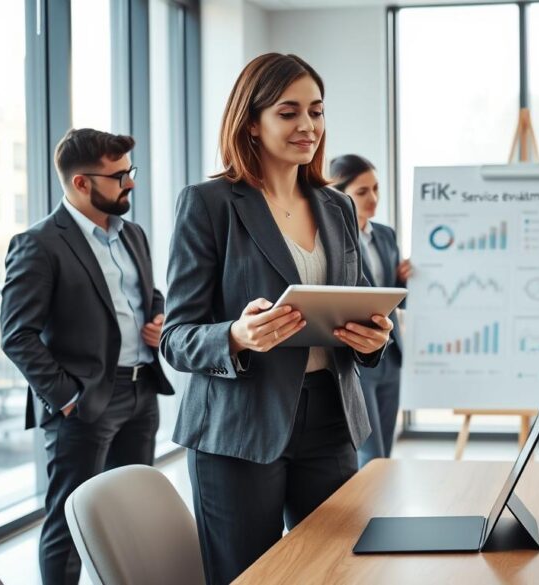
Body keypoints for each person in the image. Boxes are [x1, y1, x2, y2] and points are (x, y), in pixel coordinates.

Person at [159, 53, 392, 584]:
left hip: (331, 421)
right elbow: (175, 338)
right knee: (248, 576)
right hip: (240, 426)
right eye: (288, 113)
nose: (308, 126)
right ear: (251, 122)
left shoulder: (335, 207)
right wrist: (237, 336)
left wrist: (371, 337)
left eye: (316, 111)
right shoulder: (208, 203)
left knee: (333, 572)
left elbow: (351, 304)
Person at [0, 128, 174, 585]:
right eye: (119, 175)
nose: (130, 183)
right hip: (84, 404)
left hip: (142, 391)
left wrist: (157, 318)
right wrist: (68, 397)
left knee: (135, 514)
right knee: (68, 523)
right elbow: (17, 335)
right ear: (81, 183)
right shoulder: (38, 244)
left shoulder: (132, 234)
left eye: (129, 171)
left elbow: (148, 294)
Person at [328, 154, 410, 467]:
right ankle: (368, 514)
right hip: (357, 358)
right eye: (362, 192)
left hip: (391, 355)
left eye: (375, 189)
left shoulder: (386, 236)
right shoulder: (333, 239)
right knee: (370, 452)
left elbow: (398, 301)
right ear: (340, 193)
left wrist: (404, 282)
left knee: (385, 451)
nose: (373, 198)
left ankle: (381, 509)